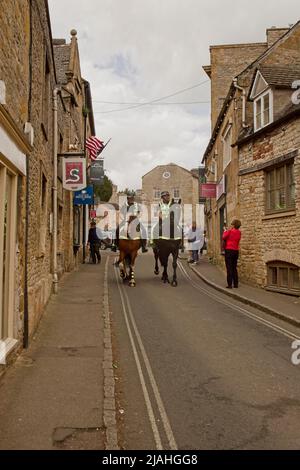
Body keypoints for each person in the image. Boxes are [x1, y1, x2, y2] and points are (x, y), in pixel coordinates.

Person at [222, 219, 242, 288]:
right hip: (236, 251)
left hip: (229, 250)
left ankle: (230, 284)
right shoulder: (239, 232)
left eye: (232, 224)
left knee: (229, 267)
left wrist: (225, 231)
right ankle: (236, 284)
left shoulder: (230, 231)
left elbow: (224, 237)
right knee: (234, 267)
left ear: (233, 225)